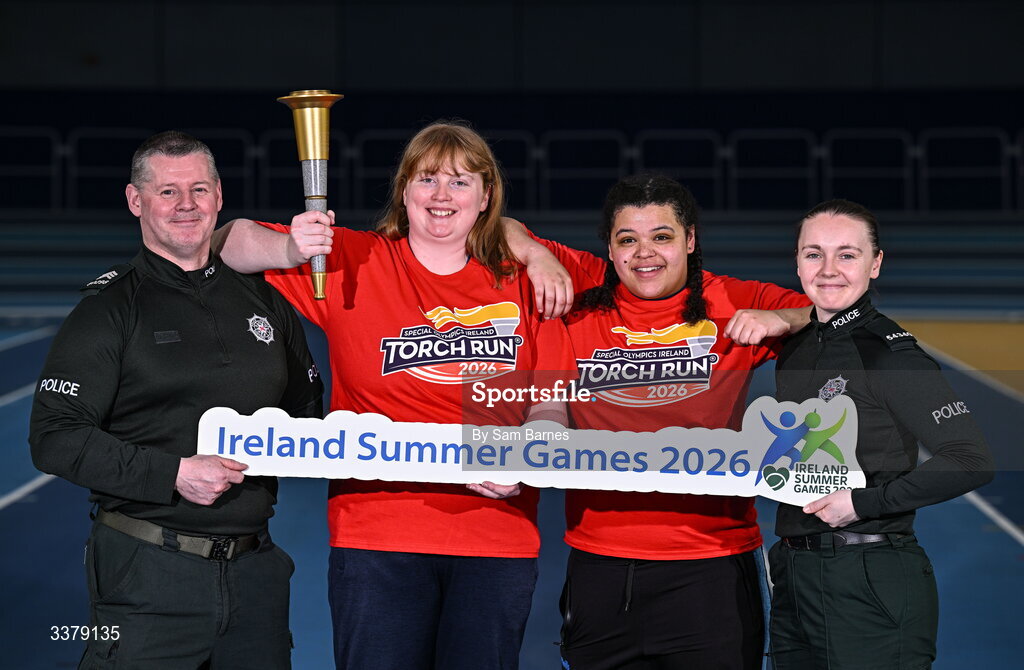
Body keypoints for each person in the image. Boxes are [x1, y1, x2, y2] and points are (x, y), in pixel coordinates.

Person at [216, 121, 575, 670]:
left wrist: (527, 452)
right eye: (426, 179)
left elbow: (551, 403)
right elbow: (228, 242)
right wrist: (291, 245)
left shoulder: (528, 279)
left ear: (486, 198)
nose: (440, 196)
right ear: (404, 191)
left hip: (496, 536)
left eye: (459, 182)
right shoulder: (353, 262)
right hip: (377, 532)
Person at [29, 131, 324, 668]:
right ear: (135, 201)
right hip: (147, 574)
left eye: (199, 189)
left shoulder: (266, 299)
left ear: (219, 196)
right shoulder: (109, 310)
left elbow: (309, 413)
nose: (186, 205)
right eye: (167, 192)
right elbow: (54, 438)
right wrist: (173, 472)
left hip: (256, 575)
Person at [505, 174, 812, 670]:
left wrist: (788, 320)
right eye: (628, 240)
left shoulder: (731, 299)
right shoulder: (584, 291)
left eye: (662, 237)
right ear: (609, 248)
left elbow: (842, 311)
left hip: (713, 567)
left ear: (690, 240)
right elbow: (497, 224)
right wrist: (537, 255)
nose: (644, 254)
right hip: (600, 564)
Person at [768, 199, 994, 669]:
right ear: (796, 261)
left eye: (847, 255)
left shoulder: (891, 355)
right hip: (795, 576)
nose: (828, 269)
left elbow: (969, 458)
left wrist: (860, 503)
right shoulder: (797, 348)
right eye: (814, 254)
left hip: (868, 578)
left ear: (876, 263)